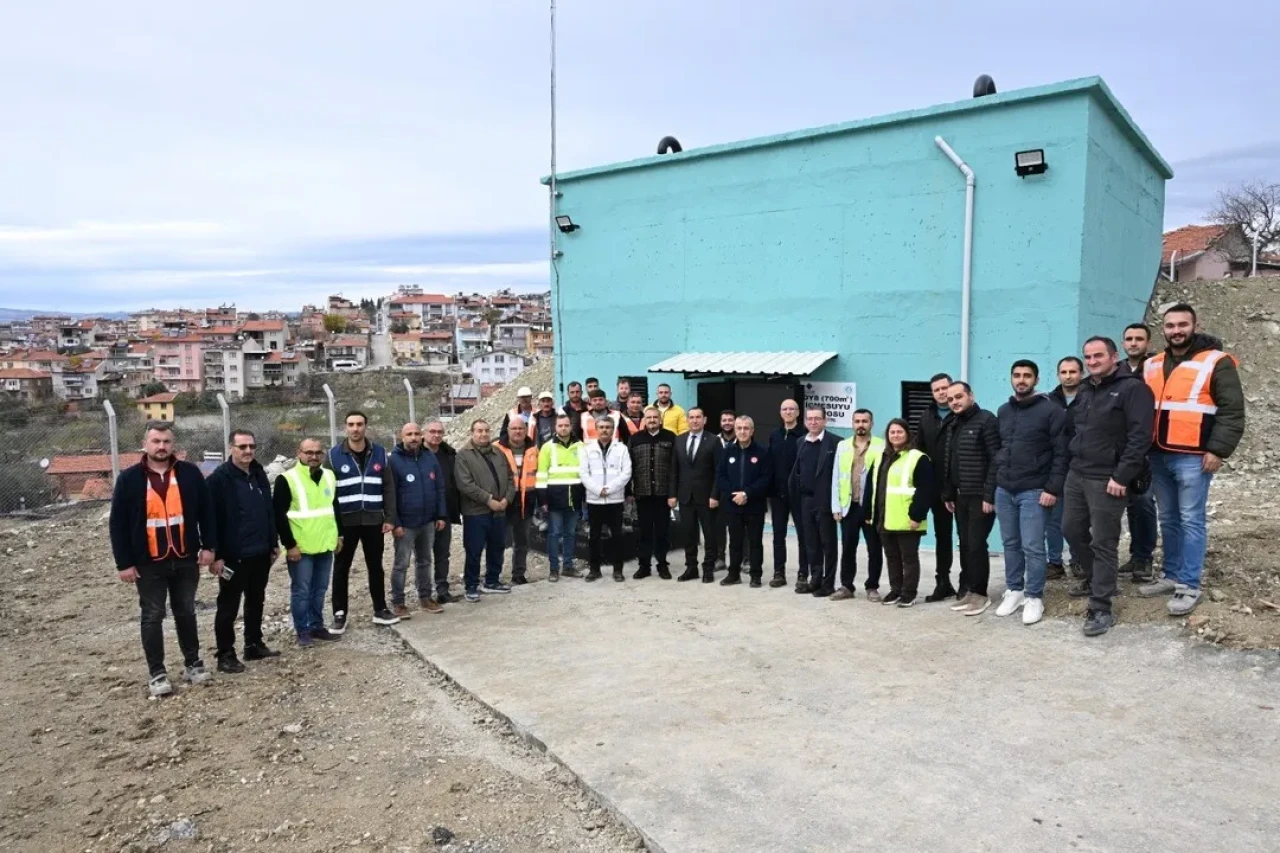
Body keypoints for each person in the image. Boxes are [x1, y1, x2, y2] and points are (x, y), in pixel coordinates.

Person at [1139, 303, 1245, 615]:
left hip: (1193, 456)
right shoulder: (1153, 364)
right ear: (1163, 329)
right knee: (1169, 519)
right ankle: (1171, 575)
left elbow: (1232, 410)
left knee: (1191, 519)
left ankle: (1189, 584)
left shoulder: (1217, 362)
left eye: (1182, 325)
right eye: (1170, 326)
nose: (1176, 331)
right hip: (1158, 454)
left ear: (1195, 326)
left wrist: (1218, 450)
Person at [109, 421, 217, 697]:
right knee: (153, 615)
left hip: (184, 557)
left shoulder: (189, 473)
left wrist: (209, 546)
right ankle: (157, 673)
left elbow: (207, 511)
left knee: (186, 611)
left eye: (166, 441)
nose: (161, 446)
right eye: (156, 441)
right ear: (145, 444)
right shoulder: (129, 479)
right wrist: (124, 563)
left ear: (173, 445)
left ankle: (193, 664)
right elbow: (118, 523)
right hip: (148, 562)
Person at [1063, 336, 1155, 637]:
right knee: (1071, 530)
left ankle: (1101, 607)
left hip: (1108, 478)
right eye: (1087, 357)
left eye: (1098, 356)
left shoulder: (1133, 389)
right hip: (1077, 473)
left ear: (1114, 357)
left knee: (1104, 541)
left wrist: (1122, 476)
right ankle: (1099, 579)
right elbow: (1074, 427)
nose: (1092, 362)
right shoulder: (1085, 389)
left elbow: (1140, 437)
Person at [993, 360, 1067, 626]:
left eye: (1027, 376)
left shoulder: (1052, 411)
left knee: (1033, 546)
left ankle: (1034, 596)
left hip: (1035, 491)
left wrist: (1052, 488)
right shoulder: (1004, 411)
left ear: (1036, 380)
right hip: (1005, 489)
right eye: (1017, 375)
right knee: (1010, 544)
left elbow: (1061, 453)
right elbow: (1000, 449)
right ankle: (1014, 590)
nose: (1021, 380)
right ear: (1011, 378)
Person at [208, 429, 279, 674]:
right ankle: (225, 654)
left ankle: (253, 644)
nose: (248, 451)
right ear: (231, 448)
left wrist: (272, 542)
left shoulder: (258, 474)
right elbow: (210, 520)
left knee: (256, 600)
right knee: (228, 606)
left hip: (260, 552)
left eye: (251, 446)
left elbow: (268, 510)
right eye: (242, 447)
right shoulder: (219, 479)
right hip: (233, 556)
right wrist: (216, 555)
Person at [328, 410, 397, 632]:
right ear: (345, 427)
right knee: (341, 568)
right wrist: (333, 524)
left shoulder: (380, 453)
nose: (355, 428)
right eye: (351, 424)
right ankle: (339, 613)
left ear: (366, 426)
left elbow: (388, 487)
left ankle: (380, 609)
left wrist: (390, 517)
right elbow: (327, 493)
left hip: (373, 521)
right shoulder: (333, 456)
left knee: (375, 566)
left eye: (359, 424)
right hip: (345, 522)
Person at [275, 438, 345, 646]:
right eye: (309, 452)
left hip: (325, 544)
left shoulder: (329, 476)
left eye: (318, 452)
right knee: (302, 591)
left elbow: (334, 508)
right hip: (301, 547)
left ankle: (317, 626)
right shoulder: (287, 479)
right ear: (299, 453)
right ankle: (303, 629)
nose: (313, 456)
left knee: (320, 589)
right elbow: (279, 515)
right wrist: (290, 545)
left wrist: (339, 535)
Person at [941, 381, 1001, 616]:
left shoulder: (986, 420)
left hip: (980, 496)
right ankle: (969, 590)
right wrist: (948, 492)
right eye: (950, 399)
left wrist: (989, 494)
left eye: (959, 397)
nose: (954, 402)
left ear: (971, 396)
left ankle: (980, 594)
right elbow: (950, 460)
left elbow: (996, 459)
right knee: (965, 544)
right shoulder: (953, 424)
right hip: (960, 495)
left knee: (976, 544)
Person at [866, 418, 933, 607]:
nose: (895, 435)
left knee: (909, 559)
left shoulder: (917, 458)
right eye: (892, 432)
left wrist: (917, 516)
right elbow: (872, 487)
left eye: (899, 432)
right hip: (885, 518)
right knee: (892, 557)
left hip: (907, 519)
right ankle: (896, 590)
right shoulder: (881, 457)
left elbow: (925, 489)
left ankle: (908, 593)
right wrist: (869, 512)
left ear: (907, 434)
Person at [387, 422, 447, 618]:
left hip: (428, 521)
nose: (413, 437)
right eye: (409, 434)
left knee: (425, 561)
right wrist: (395, 522)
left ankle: (425, 598)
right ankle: (398, 602)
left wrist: (440, 514)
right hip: (405, 524)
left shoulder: (429, 457)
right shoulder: (393, 461)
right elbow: (390, 494)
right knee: (401, 564)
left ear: (421, 436)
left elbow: (439, 487)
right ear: (401, 436)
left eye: (416, 434)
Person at [455, 419, 517, 601]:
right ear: (472, 433)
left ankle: (492, 581)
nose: (483, 434)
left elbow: (511, 478)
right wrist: (488, 500)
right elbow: (465, 484)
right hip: (476, 512)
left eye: (486, 431)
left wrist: (506, 499)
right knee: (474, 550)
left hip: (499, 510)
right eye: (479, 431)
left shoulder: (498, 453)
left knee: (497, 546)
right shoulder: (463, 456)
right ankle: (471, 585)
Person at [830, 409, 885, 602]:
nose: (861, 424)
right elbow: (836, 476)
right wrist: (836, 506)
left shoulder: (881, 445)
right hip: (849, 506)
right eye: (857, 421)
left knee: (874, 549)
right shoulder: (843, 446)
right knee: (848, 548)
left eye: (865, 421)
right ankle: (846, 586)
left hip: (870, 507)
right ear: (852, 423)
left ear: (871, 424)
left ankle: (872, 587)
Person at [1120, 322, 1159, 583]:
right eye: (1129, 339)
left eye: (1139, 338)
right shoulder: (1116, 370)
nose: (1133, 343)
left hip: (1149, 447)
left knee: (1144, 502)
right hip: (1120, 447)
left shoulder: (1157, 368)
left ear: (1148, 342)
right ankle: (1135, 555)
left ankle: (1144, 557)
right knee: (1131, 503)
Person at [913, 372, 957, 601]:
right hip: (933, 485)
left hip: (958, 486)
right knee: (942, 536)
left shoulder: (961, 413)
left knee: (964, 537)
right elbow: (918, 449)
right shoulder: (926, 416)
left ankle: (968, 584)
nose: (941, 392)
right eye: (937, 389)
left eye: (944, 388)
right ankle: (943, 582)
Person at [789, 406, 841, 597]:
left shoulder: (836, 442)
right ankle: (815, 579)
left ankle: (828, 584)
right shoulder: (801, 442)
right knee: (811, 543)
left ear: (825, 420)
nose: (813, 422)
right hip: (806, 500)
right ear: (805, 422)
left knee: (828, 544)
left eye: (817, 418)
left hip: (825, 501)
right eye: (809, 419)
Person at [716, 416, 771, 587]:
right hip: (733, 505)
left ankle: (756, 575)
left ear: (752, 431)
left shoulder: (762, 452)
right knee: (735, 542)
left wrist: (746, 493)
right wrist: (735, 494)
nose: (742, 431)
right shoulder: (727, 451)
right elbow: (720, 476)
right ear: (735, 430)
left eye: (746, 428)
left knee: (755, 542)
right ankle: (733, 574)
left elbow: (766, 478)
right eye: (739, 428)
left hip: (755, 505)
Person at [628, 406, 678, 579]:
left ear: (660, 419)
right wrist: (629, 492)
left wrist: (673, 493)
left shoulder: (671, 438)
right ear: (644, 420)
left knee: (663, 532)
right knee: (644, 532)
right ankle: (644, 566)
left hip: (663, 495)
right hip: (642, 494)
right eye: (648, 417)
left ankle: (662, 565)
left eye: (655, 417)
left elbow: (675, 468)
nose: (652, 420)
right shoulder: (635, 439)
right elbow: (629, 466)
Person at [580, 415, 632, 582]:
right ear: (596, 429)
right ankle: (594, 570)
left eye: (608, 427)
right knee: (594, 537)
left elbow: (626, 472)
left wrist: (609, 489)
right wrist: (597, 490)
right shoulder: (587, 449)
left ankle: (618, 570)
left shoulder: (621, 449)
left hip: (615, 500)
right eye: (601, 427)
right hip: (594, 500)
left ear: (613, 429)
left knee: (617, 536)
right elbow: (583, 473)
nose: (604, 430)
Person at [673, 407, 722, 583]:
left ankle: (708, 568)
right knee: (688, 534)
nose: (695, 421)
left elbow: (719, 471)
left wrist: (715, 495)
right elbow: (674, 470)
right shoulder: (679, 440)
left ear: (704, 420)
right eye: (691, 417)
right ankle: (691, 567)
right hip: (685, 496)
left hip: (707, 497)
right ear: (687, 420)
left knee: (709, 535)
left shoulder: (714, 441)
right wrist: (672, 494)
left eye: (698, 417)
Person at [1046, 356, 1084, 579]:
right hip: (1056, 466)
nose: (1068, 376)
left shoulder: (1091, 397)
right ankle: (1054, 562)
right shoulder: (1049, 401)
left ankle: (1078, 560)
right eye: (1064, 372)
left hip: (1083, 465)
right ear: (1058, 375)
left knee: (1078, 519)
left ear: (1081, 374)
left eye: (1073, 372)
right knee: (1054, 519)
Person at [535, 414, 586, 580]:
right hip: (554, 498)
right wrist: (543, 500)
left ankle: (568, 567)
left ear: (570, 427)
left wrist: (585, 497)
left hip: (574, 497)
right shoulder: (547, 447)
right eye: (560, 425)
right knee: (554, 534)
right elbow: (541, 475)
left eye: (566, 425)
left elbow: (585, 472)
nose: (563, 428)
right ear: (555, 427)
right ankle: (554, 569)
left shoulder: (580, 446)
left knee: (570, 533)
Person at [496, 416, 540, 585]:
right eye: (514, 428)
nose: (517, 431)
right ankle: (494, 576)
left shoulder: (533, 449)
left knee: (522, 541)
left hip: (526, 502)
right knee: (499, 541)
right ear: (507, 430)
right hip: (504, 501)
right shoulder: (497, 448)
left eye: (521, 428)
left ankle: (518, 574)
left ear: (526, 430)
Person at [767, 399, 806, 588]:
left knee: (803, 536)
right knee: (778, 535)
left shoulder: (805, 435)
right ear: (780, 412)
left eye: (792, 409)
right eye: (785, 409)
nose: (788, 412)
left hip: (799, 495)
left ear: (798, 412)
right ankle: (778, 572)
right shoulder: (774, 435)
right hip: (778, 495)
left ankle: (803, 574)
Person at [424, 420, 461, 603]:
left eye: (439, 432)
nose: (436, 435)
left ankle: (442, 591)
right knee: (423, 557)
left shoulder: (449, 454)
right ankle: (424, 594)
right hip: (421, 515)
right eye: (432, 431)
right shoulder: (417, 454)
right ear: (424, 433)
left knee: (442, 554)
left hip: (444, 513)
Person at [712, 409, 737, 571]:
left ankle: (743, 559)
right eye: (724, 420)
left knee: (739, 528)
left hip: (738, 491)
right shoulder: (714, 441)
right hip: (719, 491)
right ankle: (720, 558)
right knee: (718, 527)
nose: (727, 423)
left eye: (730, 420)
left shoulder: (743, 439)